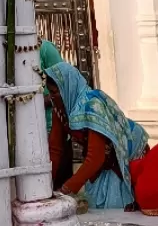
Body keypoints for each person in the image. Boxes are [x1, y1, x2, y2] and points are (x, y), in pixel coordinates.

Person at [42, 57, 149, 209]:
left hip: (125, 151)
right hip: (103, 158)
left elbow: (95, 157)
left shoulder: (93, 105)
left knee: (115, 207)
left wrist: (66, 190)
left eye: (55, 93)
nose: (51, 98)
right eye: (50, 93)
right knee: (96, 204)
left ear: (68, 89)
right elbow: (55, 149)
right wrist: (45, 187)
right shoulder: (60, 109)